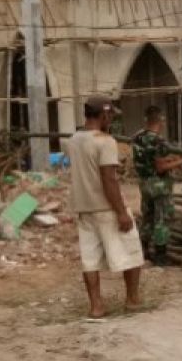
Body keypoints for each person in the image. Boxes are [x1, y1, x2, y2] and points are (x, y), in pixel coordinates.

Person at [62, 96, 143, 318]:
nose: (112, 120)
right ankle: (132, 299)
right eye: (111, 116)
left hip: (83, 208)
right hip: (106, 208)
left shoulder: (73, 140)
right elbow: (109, 179)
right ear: (103, 115)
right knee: (131, 249)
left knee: (90, 260)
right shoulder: (105, 141)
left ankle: (96, 306)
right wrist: (121, 213)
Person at [132, 105, 182, 266]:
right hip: (159, 185)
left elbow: (149, 160)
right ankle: (161, 256)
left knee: (147, 217)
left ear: (146, 119)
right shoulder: (158, 140)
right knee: (161, 219)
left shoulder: (137, 137)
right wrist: (181, 161)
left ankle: (143, 250)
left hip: (144, 183)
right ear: (160, 120)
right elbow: (160, 167)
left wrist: (168, 160)